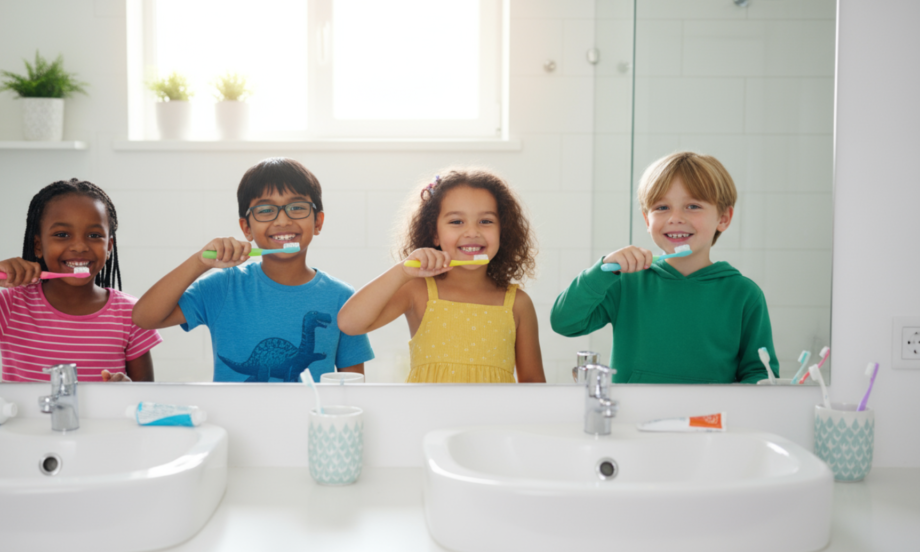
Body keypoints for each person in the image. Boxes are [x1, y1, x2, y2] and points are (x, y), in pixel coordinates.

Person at [132, 157, 374, 382]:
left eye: (297, 207)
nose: (282, 221)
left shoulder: (343, 297)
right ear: (246, 228)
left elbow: (352, 388)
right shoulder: (223, 286)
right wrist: (199, 262)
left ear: (318, 222)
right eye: (266, 210)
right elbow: (144, 317)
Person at [551, 151, 777, 383]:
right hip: (634, 414)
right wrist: (601, 271)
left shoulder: (743, 294)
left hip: (708, 418)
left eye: (692, 206)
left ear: (723, 218)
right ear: (647, 220)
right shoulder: (626, 281)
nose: (675, 218)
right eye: (661, 208)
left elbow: (760, 373)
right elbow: (564, 323)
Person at [0, 179, 160, 382]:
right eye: (62, 234)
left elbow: (144, 395)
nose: (80, 246)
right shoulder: (12, 305)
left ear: (109, 247)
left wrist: (125, 390)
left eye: (94, 235)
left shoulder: (132, 313)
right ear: (38, 245)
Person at [338, 168, 544, 383]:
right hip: (427, 415)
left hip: (495, 417)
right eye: (456, 222)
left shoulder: (518, 303)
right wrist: (402, 271)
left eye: (486, 221)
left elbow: (534, 382)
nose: (472, 232)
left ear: (504, 231)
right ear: (434, 233)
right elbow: (350, 323)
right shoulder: (418, 290)